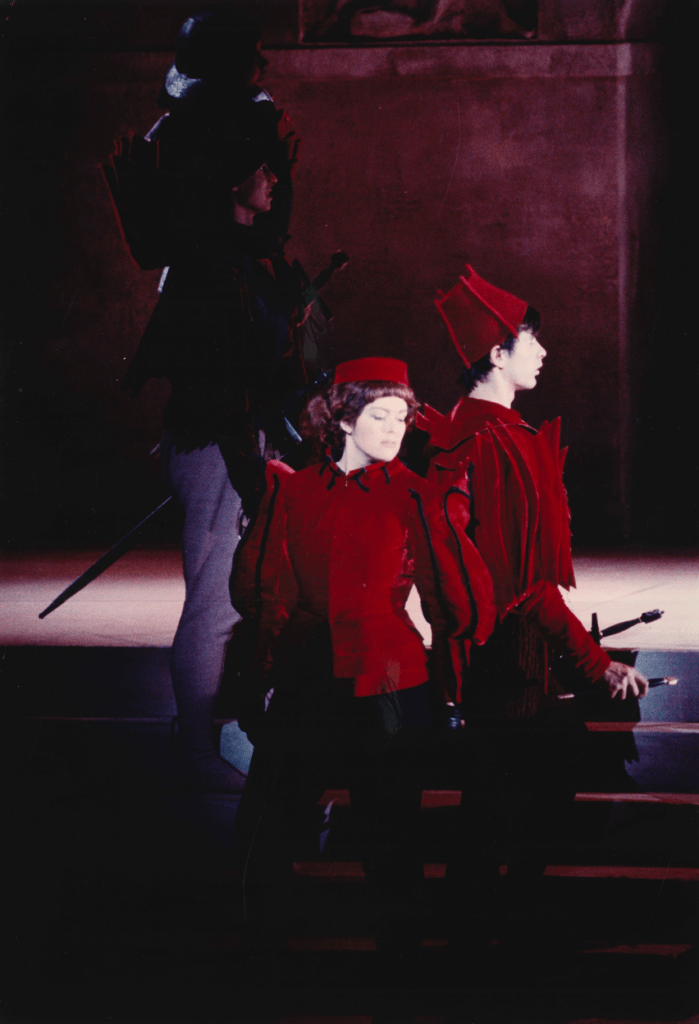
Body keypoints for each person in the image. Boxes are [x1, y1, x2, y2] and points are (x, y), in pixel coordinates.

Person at [229, 357, 496, 959]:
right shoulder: (293, 490)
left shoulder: (415, 495)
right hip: (308, 675)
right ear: (344, 421)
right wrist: (257, 675)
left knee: (391, 834)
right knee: (265, 827)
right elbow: (266, 591)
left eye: (402, 417)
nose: (395, 428)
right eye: (380, 415)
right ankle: (261, 957)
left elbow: (452, 601)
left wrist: (454, 687)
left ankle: (400, 965)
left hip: (393, 679)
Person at [418, 265, 649, 944]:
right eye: (530, 340)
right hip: (508, 656)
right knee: (504, 808)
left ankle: (477, 938)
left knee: (494, 805)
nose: (543, 352)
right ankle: (483, 951)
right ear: (497, 354)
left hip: (486, 649)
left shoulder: (465, 430)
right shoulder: (493, 441)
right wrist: (593, 663)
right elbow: (521, 584)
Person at [111, 10, 307, 793]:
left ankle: (215, 734)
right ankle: (197, 743)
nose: (276, 180)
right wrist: (250, 467)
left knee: (234, 599)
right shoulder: (218, 278)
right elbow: (227, 390)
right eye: (264, 171)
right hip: (224, 446)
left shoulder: (231, 268)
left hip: (228, 444)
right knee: (217, 605)